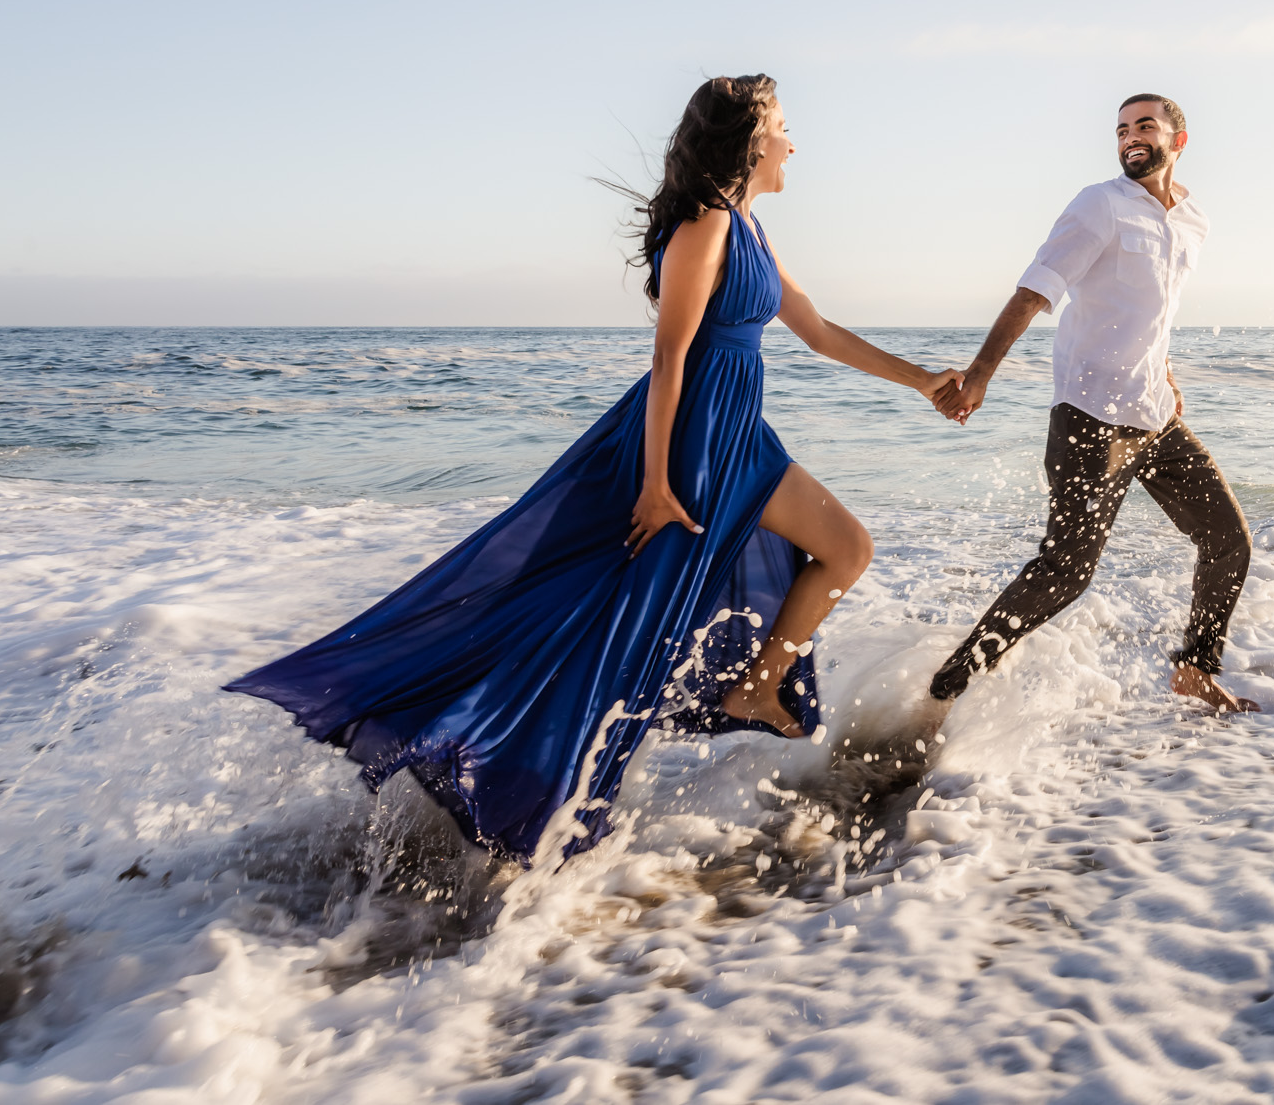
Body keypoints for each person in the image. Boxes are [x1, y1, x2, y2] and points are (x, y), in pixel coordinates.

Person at [227, 75, 961, 864]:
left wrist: (920, 379)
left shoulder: (749, 227)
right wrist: (655, 482)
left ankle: (757, 686)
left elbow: (816, 330)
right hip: (692, 445)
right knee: (627, 630)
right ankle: (528, 805)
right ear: (750, 140)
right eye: (783, 127)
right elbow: (671, 356)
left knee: (845, 548)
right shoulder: (705, 225)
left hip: (741, 435)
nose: (793, 142)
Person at [927, 93, 1257, 714]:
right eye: (1122, 129)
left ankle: (1194, 669)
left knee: (1229, 540)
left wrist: (1164, 370)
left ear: (1177, 140)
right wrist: (980, 373)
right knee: (1066, 572)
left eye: (1145, 126)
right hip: (1090, 417)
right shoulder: (1099, 205)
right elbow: (1036, 289)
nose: (1131, 137)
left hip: (1155, 414)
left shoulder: (1194, 220)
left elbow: (1154, 311)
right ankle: (945, 688)